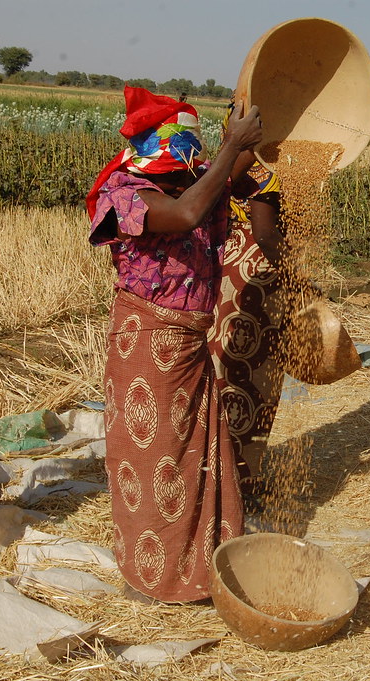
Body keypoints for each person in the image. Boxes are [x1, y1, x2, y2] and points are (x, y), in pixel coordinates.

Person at [85, 86, 263, 603]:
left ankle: (201, 569)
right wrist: (232, 148)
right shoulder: (123, 194)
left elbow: (224, 174)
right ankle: (151, 579)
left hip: (188, 344)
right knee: (154, 461)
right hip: (147, 347)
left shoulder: (193, 182)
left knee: (198, 460)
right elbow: (184, 215)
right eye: (193, 148)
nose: (198, 160)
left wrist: (251, 120)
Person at [208, 101, 287, 502]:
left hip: (222, 267)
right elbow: (266, 233)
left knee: (219, 367)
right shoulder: (267, 171)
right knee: (254, 378)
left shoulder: (215, 168)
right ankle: (242, 480)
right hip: (257, 279)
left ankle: (211, 468)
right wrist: (298, 278)